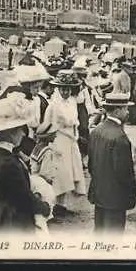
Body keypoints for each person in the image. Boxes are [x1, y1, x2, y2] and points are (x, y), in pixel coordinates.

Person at [0, 91, 51, 234]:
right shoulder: (7, 162)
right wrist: (44, 206)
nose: (23, 134)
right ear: (9, 133)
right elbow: (23, 198)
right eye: (19, 130)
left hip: (1, 213)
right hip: (13, 220)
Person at [88, 93, 136, 234]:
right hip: (115, 196)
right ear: (117, 111)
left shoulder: (96, 131)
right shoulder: (120, 138)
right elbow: (124, 172)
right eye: (125, 109)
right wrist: (133, 188)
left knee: (99, 231)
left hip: (99, 192)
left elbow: (91, 165)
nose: (128, 112)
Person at [44, 70, 87, 217]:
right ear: (57, 89)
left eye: (68, 89)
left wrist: (76, 137)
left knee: (69, 172)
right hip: (58, 139)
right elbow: (46, 124)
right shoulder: (53, 105)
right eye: (62, 89)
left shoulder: (72, 102)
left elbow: (75, 123)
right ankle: (53, 206)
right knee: (59, 173)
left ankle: (62, 205)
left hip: (70, 140)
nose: (65, 92)